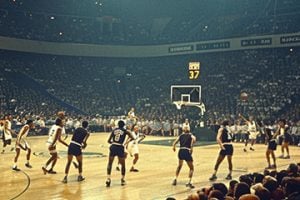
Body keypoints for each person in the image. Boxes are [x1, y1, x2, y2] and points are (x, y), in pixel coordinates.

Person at [105, 120, 135, 187]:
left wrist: (113, 143)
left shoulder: (114, 130)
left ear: (118, 125)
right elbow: (133, 137)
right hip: (120, 147)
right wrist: (126, 142)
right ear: (124, 125)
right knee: (123, 164)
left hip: (113, 146)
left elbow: (108, 141)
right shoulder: (125, 131)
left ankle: (108, 179)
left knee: (110, 163)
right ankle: (122, 180)